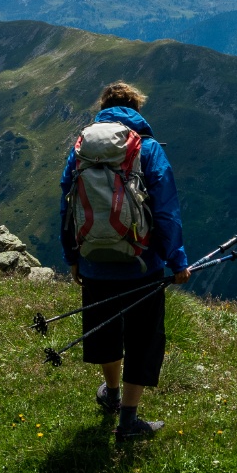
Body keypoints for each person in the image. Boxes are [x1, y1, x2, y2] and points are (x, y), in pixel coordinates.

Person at [59, 82, 190, 442]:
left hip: (93, 262)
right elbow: (166, 212)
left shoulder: (81, 150)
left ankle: (111, 394)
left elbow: (66, 205)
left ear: (102, 107)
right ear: (136, 108)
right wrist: (176, 261)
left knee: (104, 331)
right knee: (143, 338)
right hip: (141, 264)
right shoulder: (147, 149)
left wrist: (73, 256)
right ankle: (129, 421)